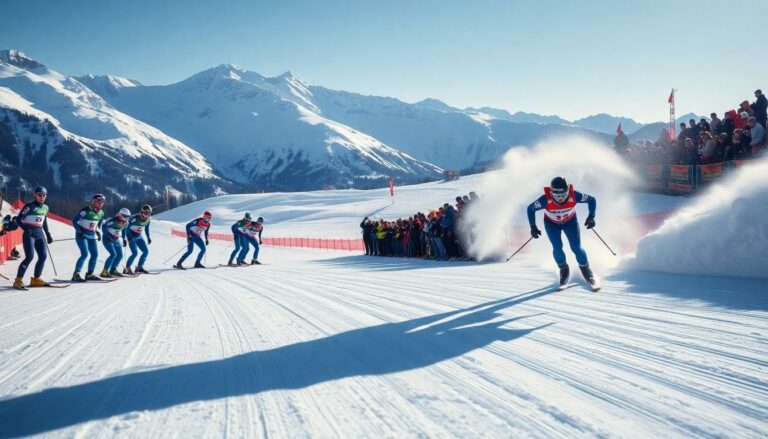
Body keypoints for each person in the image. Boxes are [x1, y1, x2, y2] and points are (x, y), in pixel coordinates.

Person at [527, 177, 598, 289]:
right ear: (551, 193)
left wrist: (591, 217)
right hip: (552, 224)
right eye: (556, 195)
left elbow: (592, 200)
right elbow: (530, 209)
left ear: (568, 191)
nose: (560, 198)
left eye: (563, 194)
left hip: (570, 222)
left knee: (576, 248)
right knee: (557, 247)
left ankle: (586, 269)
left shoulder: (574, 195)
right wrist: (533, 227)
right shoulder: (545, 200)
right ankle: (564, 269)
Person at [12, 186, 54, 289]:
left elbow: (44, 221)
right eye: (39, 195)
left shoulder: (45, 207)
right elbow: (18, 219)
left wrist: (48, 234)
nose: (42, 197)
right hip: (29, 234)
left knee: (43, 256)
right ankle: (18, 280)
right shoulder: (29, 206)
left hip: (40, 235)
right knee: (29, 257)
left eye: (44, 195)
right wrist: (26, 229)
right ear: (35, 195)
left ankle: (36, 279)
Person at [71, 193, 106, 282]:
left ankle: (89, 274)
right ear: (93, 202)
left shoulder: (101, 213)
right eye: (99, 201)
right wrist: (80, 231)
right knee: (85, 254)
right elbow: (75, 221)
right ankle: (76, 274)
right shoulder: (86, 210)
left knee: (95, 255)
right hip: (81, 235)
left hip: (91, 235)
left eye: (102, 202)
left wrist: (97, 232)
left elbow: (98, 224)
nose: (101, 203)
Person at [100, 208, 131, 278]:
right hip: (107, 239)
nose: (126, 218)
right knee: (113, 254)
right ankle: (104, 271)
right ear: (121, 215)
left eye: (128, 217)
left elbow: (124, 230)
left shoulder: (126, 223)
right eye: (125, 216)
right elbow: (104, 227)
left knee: (120, 255)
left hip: (116, 239)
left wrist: (123, 239)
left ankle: (113, 270)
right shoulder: (114, 220)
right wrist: (108, 237)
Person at [124, 204, 152, 274]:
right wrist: (129, 237)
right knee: (135, 253)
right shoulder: (134, 219)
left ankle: (139, 267)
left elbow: (147, 229)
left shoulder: (148, 220)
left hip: (139, 237)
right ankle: (127, 268)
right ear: (141, 212)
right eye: (145, 213)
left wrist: (148, 237)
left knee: (145, 252)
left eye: (148, 214)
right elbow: (126, 227)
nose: (147, 215)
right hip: (132, 237)